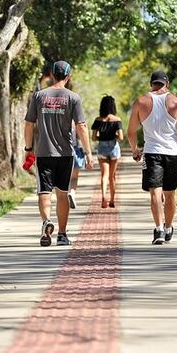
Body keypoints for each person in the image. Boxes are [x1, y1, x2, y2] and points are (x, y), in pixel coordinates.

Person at [24, 60, 93, 247]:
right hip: (65, 154)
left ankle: (46, 221)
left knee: (44, 192)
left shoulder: (38, 96)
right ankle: (62, 235)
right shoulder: (73, 98)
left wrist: (28, 149)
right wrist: (88, 153)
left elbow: (29, 123)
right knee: (63, 193)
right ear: (68, 76)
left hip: (44, 153)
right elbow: (82, 126)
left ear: (52, 75)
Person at [127, 70, 177, 245]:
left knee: (155, 192)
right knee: (170, 194)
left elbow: (131, 132)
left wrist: (135, 150)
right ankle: (169, 227)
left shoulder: (140, 102)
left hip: (151, 153)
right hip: (172, 154)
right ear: (167, 83)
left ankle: (159, 229)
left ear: (151, 84)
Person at [91, 95, 122, 208]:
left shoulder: (98, 120)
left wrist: (102, 138)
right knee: (112, 176)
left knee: (104, 175)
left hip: (102, 148)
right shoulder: (117, 120)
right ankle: (112, 200)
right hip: (114, 148)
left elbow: (94, 138)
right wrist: (113, 135)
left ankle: (104, 197)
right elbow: (121, 137)